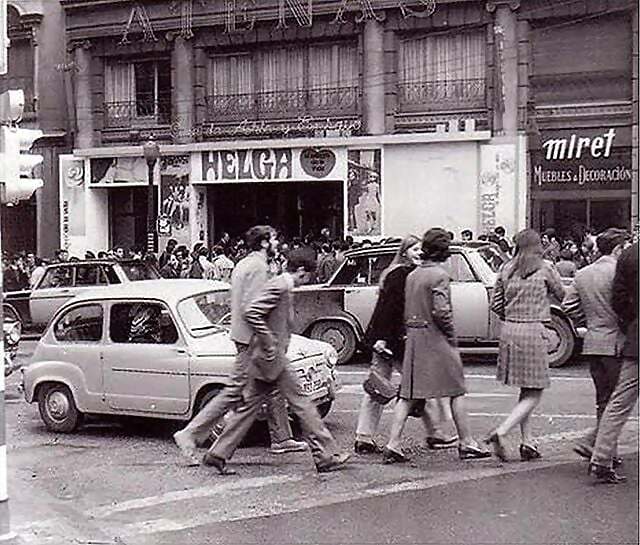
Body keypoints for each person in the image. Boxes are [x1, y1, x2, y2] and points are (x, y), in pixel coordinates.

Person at [202, 255, 351, 475]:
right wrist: (269, 340)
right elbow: (252, 312)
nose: (308, 281)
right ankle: (325, 455)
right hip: (272, 358)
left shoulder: (282, 286)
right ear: (301, 271)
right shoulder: (279, 286)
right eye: (308, 276)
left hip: (266, 358)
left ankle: (218, 453)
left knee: (248, 409)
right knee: (303, 404)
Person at [173, 226, 306, 464]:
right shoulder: (258, 268)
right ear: (265, 243)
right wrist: (268, 342)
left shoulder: (244, 264)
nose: (278, 243)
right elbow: (253, 309)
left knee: (268, 389)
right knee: (234, 391)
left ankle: (281, 438)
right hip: (251, 341)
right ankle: (190, 433)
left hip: (245, 337)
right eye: (274, 239)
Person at [383, 228, 490, 463]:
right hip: (435, 337)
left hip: (413, 337)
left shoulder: (412, 275)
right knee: (456, 389)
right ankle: (467, 442)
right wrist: (451, 334)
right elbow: (441, 311)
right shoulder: (439, 276)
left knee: (408, 394)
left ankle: (393, 443)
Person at [355, 235, 457, 455]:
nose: (419, 252)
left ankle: (365, 435)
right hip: (392, 339)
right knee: (395, 385)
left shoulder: (405, 273)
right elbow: (386, 307)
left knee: (394, 385)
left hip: (398, 338)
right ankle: (433, 432)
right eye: (414, 249)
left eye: (421, 249)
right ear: (404, 251)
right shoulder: (399, 274)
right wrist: (381, 338)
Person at [487, 229, 565, 461]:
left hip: (510, 330)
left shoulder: (506, 269)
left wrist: (512, 315)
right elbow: (562, 294)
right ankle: (502, 431)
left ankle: (527, 442)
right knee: (535, 391)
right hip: (534, 330)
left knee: (525, 389)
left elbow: (496, 303)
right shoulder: (545, 268)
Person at [562, 228, 629, 467]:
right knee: (618, 400)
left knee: (603, 399)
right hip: (616, 341)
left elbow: (568, 305)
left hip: (592, 341)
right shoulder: (619, 273)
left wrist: (587, 320)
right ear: (618, 249)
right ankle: (594, 441)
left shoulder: (583, 274)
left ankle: (608, 450)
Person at [588, 242, 638, 483]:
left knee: (618, 402)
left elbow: (618, 299)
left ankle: (601, 459)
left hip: (637, 336)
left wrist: (632, 321)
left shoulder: (629, 255)